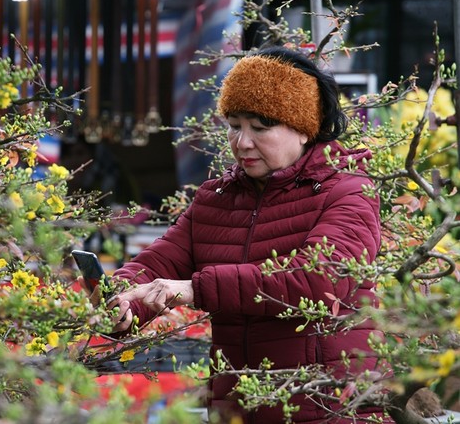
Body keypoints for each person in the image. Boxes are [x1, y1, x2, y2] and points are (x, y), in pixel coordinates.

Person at [95, 46, 389, 423]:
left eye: (261, 128)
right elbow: (160, 260)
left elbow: (317, 280)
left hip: (328, 407)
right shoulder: (217, 198)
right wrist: (123, 300)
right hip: (240, 408)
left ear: (303, 128)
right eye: (234, 125)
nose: (242, 142)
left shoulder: (348, 191)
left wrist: (191, 288)